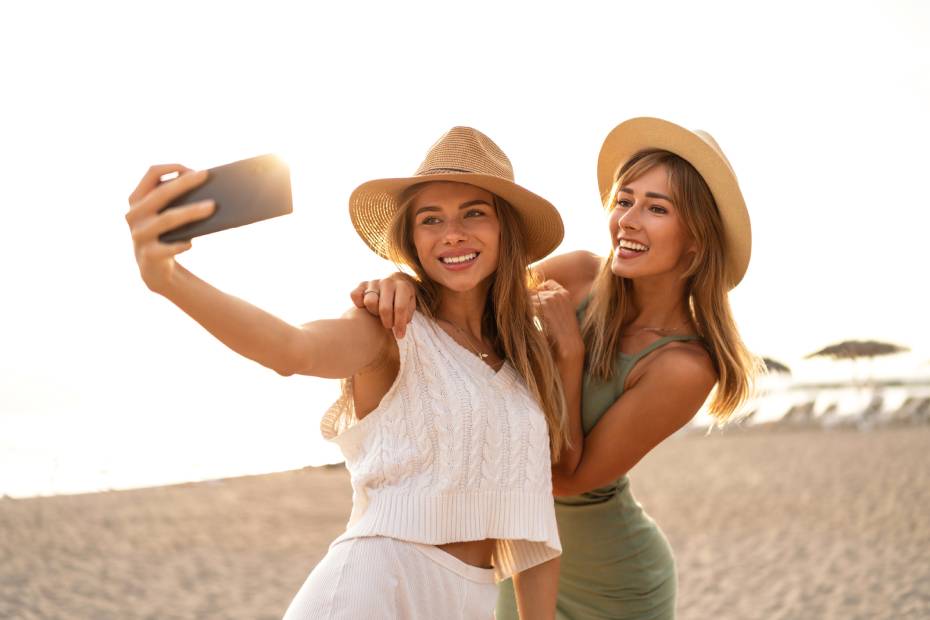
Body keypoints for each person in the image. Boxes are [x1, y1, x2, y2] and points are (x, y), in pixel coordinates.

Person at [124, 126, 568, 619]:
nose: (452, 233)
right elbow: (294, 349)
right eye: (430, 219)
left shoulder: (523, 354)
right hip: (370, 589)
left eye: (474, 213)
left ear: (505, 228)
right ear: (412, 239)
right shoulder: (390, 326)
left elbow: (535, 522)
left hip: (470, 602)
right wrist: (169, 280)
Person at [349, 117, 759, 619]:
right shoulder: (579, 275)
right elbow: (466, 292)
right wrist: (402, 284)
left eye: (657, 208)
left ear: (696, 239)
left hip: (613, 584)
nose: (628, 219)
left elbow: (567, 479)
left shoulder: (685, 365)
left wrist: (569, 356)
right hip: (520, 550)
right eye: (625, 200)